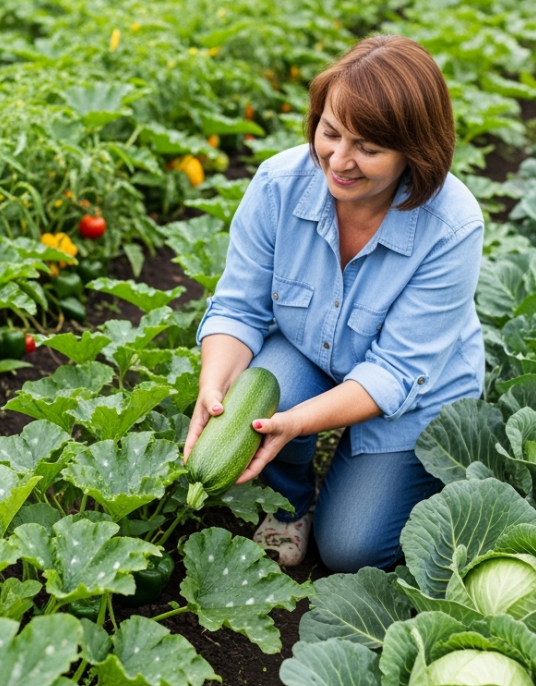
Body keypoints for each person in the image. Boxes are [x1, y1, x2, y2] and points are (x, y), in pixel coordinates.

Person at [183, 35, 485, 572]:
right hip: (308, 352)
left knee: (353, 549)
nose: (340, 160)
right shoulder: (278, 185)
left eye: (368, 148)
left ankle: (351, 468)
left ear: (415, 153)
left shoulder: (452, 225)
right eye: (330, 132)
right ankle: (291, 503)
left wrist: (297, 423)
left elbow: (396, 371)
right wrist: (215, 388)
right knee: (260, 391)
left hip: (414, 393)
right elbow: (238, 309)